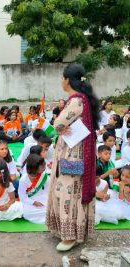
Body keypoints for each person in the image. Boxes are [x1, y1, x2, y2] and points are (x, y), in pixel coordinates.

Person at [46, 64, 99, 251]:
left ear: (68, 80)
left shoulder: (76, 100)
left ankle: (69, 237)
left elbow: (58, 124)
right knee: (74, 192)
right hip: (77, 153)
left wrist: (59, 127)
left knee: (69, 192)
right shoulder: (84, 99)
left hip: (73, 155)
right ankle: (75, 233)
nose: (61, 80)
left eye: (62, 77)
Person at [19, 154, 49, 224]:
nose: (44, 167)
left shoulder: (45, 176)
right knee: (26, 212)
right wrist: (33, 202)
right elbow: (23, 197)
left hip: (44, 201)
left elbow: (49, 192)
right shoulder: (23, 180)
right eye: (42, 166)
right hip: (30, 203)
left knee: (51, 210)